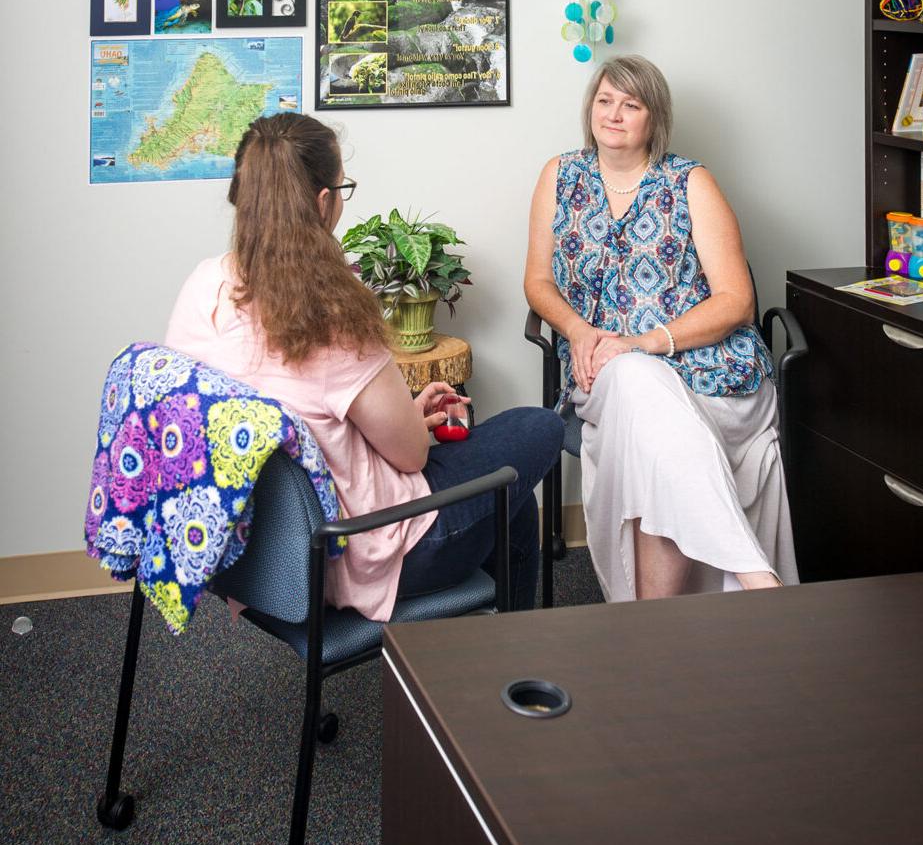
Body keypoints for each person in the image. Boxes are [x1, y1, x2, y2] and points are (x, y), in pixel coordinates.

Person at [166, 113, 563, 619]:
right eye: (341, 188)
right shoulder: (331, 310)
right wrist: (414, 428)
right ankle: (508, 659)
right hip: (355, 550)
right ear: (322, 201)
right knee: (539, 426)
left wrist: (404, 414)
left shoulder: (204, 286)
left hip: (257, 553)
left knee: (512, 502)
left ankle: (497, 652)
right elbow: (412, 457)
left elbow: (299, 421)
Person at [524, 56, 798, 601]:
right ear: (590, 108)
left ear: (656, 118)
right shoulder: (561, 175)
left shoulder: (691, 181)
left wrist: (644, 343)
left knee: (645, 415)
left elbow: (737, 302)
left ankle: (651, 626)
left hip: (712, 372)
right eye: (605, 101)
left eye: (632, 104)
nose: (615, 114)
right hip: (602, 367)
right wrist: (579, 331)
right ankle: (755, 579)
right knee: (632, 381)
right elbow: (536, 282)